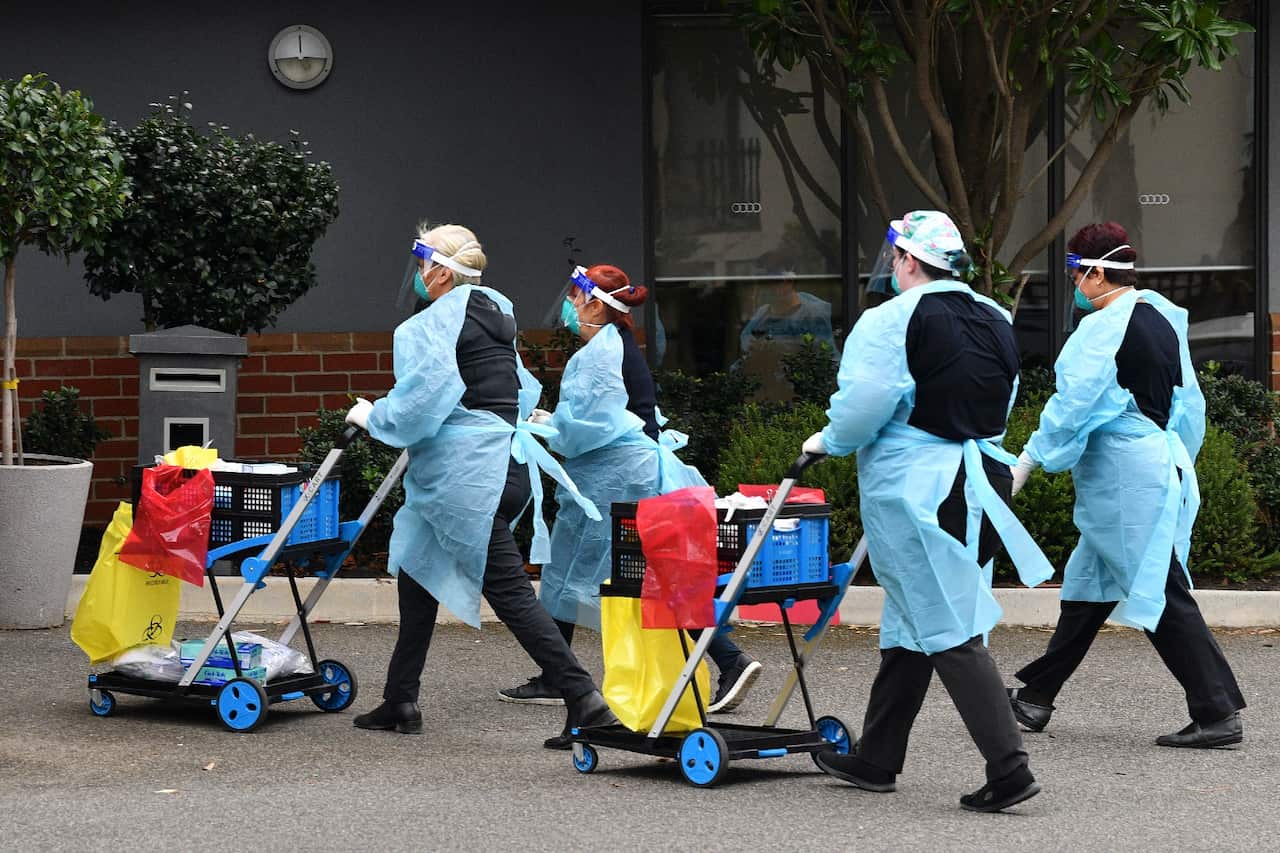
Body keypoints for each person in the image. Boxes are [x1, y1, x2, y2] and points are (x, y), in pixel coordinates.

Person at [805, 210, 1053, 813]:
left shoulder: (889, 319)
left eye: (895, 257)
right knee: (914, 619)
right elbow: (1005, 395)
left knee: (945, 624)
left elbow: (864, 405)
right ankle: (877, 758)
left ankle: (1010, 769)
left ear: (909, 260)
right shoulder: (994, 316)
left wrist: (826, 442)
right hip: (984, 480)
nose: (892, 266)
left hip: (918, 486)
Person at [344, 223, 618, 748]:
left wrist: (373, 415)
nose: (420, 275)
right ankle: (400, 698)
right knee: (417, 572)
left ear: (442, 271)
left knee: (510, 592)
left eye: (423, 264)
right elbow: (511, 386)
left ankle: (584, 698)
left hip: (465, 476)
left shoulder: (430, 324)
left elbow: (419, 406)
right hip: (503, 462)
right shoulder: (495, 310)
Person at [1006, 222, 1245, 748]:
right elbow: (1190, 405)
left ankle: (1217, 712)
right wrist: (1176, 460)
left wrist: (1027, 459)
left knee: (1158, 588)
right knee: (1088, 586)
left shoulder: (1101, 329)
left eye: (1074, 272)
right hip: (1154, 461)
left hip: (1124, 474)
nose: (1073, 283)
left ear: (1094, 272)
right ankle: (1036, 696)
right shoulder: (1160, 314)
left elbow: (1071, 408)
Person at [500, 263, 762, 718]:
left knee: (637, 577)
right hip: (625, 472)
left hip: (618, 476)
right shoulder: (614, 345)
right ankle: (556, 672)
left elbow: (588, 425)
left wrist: (550, 427)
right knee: (590, 568)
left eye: (576, 297)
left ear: (597, 305)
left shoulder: (600, 353)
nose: (570, 305)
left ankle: (728, 658)